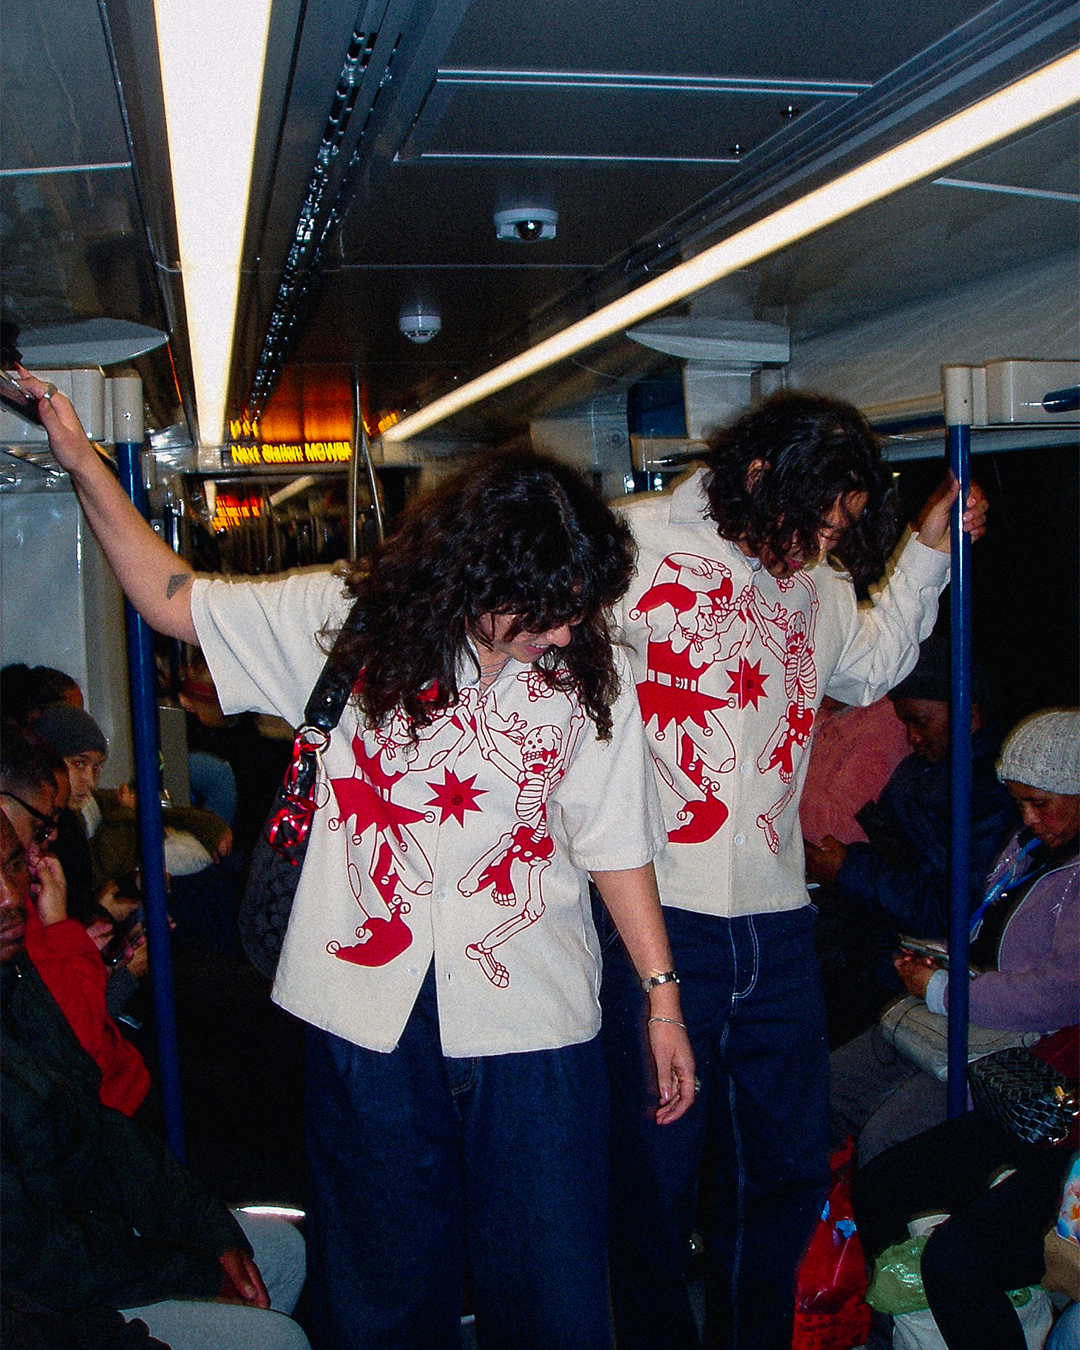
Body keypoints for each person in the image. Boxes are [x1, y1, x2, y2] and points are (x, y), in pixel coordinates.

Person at [22, 367, 695, 1350]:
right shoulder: (347, 623)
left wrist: (661, 999)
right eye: (537, 614)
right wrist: (83, 464)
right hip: (364, 1013)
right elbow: (173, 598)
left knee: (552, 1286)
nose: (560, 633)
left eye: (574, 613)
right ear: (472, 576)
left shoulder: (588, 663)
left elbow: (613, 841)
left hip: (534, 1014)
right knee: (385, 1286)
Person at [602, 390, 986, 1350]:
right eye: (816, 517)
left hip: (775, 924)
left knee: (780, 1172)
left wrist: (928, 551)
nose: (820, 543)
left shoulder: (814, 580)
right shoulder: (631, 546)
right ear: (757, 473)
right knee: (651, 1171)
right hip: (655, 916)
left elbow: (865, 669)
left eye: (841, 527)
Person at [0, 805, 310, 1350]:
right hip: (43, 1297)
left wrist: (202, 1226)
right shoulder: (26, 952)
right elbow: (35, 1257)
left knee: (278, 1250)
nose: (8, 897)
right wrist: (189, 1272)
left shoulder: (12, 978)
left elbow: (92, 1118)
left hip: (90, 1201)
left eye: (11, 867)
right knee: (276, 1337)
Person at [835, 707, 1080, 1163]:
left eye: (1040, 803)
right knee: (826, 1087)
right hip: (964, 1012)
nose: (1027, 818)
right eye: (1019, 802)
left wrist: (945, 991)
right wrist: (938, 960)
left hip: (1014, 1050)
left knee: (888, 1142)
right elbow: (986, 928)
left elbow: (1063, 991)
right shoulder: (1031, 847)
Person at [809, 625, 1016, 1042]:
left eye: (919, 722)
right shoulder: (932, 767)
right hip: (879, 931)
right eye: (906, 723)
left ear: (968, 711)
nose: (912, 737)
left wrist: (849, 867)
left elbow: (952, 907)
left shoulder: (989, 790)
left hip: (913, 962)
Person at [0, 722, 150, 1114]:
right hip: (98, 1107)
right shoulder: (15, 907)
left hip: (113, 1085)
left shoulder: (29, 889)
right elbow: (77, 1036)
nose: (49, 837)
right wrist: (62, 926)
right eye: (40, 824)